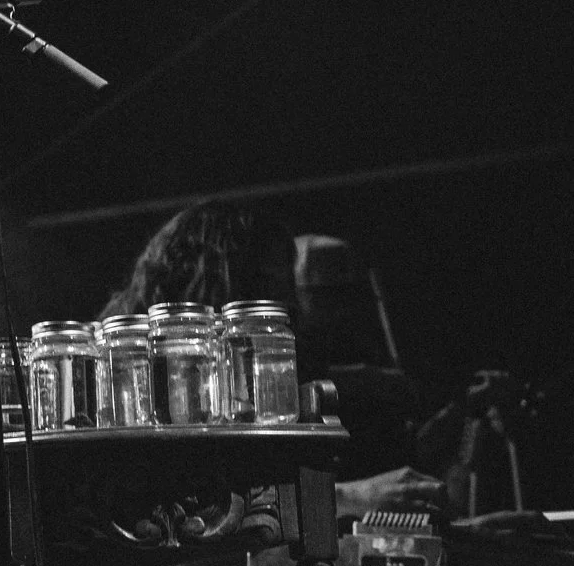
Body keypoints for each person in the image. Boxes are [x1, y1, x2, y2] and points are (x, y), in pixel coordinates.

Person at [103, 201, 444, 517]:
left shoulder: (245, 367)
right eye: (270, 285)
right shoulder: (151, 370)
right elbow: (194, 506)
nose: (286, 306)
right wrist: (351, 498)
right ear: (222, 284)